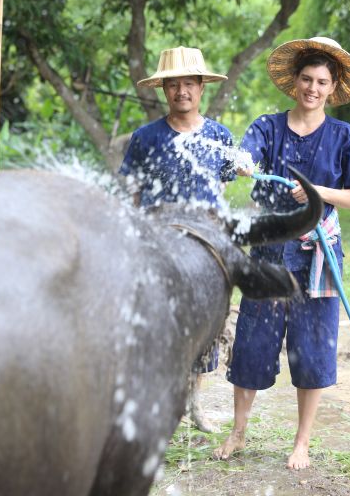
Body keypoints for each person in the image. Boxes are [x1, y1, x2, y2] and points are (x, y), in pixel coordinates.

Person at [214, 36, 350, 469]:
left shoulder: (345, 136)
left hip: (318, 250)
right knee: (251, 340)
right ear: (295, 82)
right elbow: (243, 155)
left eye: (322, 81)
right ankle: (239, 432)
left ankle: (302, 442)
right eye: (306, 79)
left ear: (332, 86)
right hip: (268, 247)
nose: (313, 88)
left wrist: (319, 192)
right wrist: (244, 163)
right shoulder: (268, 126)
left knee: (313, 347)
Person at [119, 45, 240, 433]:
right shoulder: (145, 138)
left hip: (205, 250)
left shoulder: (219, 135)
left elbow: (222, 190)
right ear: (163, 90)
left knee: (204, 326)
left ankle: (195, 404)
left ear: (202, 87)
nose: (181, 91)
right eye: (173, 85)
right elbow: (132, 193)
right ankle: (159, 407)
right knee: (158, 323)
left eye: (189, 83)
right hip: (158, 246)